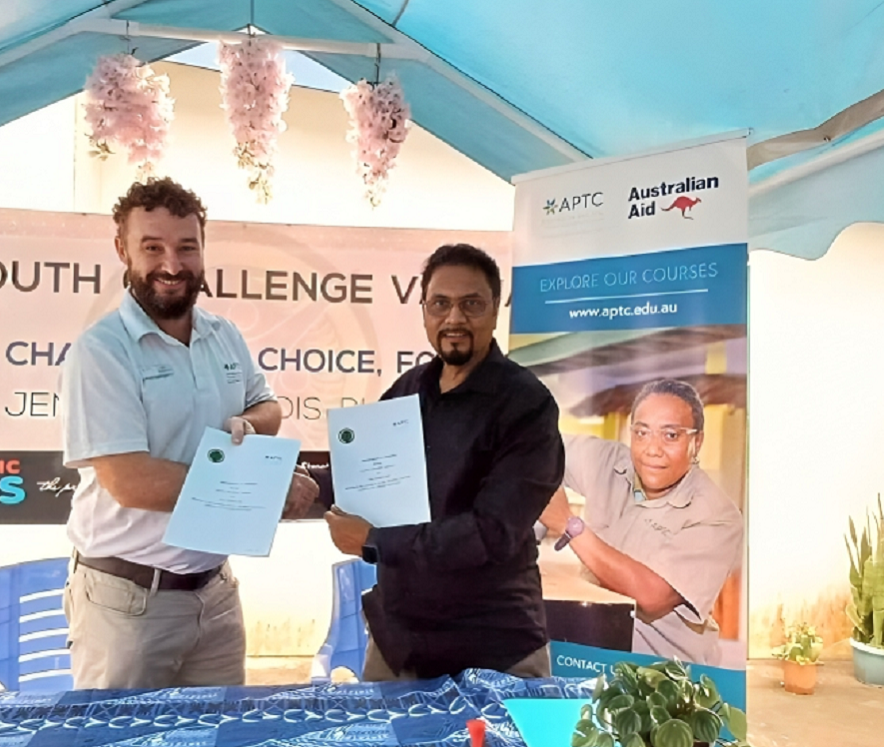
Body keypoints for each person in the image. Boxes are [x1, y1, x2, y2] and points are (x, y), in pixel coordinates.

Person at [59, 177, 318, 690]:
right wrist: (263, 488)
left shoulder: (224, 335)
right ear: (122, 250)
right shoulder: (102, 351)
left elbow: (268, 406)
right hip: (128, 604)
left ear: (203, 250)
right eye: (152, 247)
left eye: (186, 247)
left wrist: (249, 425)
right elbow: (131, 482)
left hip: (216, 596)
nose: (172, 266)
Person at [307, 243, 565, 680]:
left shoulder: (527, 407)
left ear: (495, 310)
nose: (454, 319)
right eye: (440, 304)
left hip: (493, 654)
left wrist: (375, 541)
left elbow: (491, 533)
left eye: (471, 304)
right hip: (398, 646)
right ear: (424, 309)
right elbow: (363, 477)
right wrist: (304, 487)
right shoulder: (410, 390)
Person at [538, 378, 744, 666]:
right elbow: (536, 445)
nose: (652, 449)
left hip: (665, 676)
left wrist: (569, 524)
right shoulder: (610, 462)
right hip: (591, 651)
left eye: (670, 436)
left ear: (696, 442)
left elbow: (652, 595)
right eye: (642, 433)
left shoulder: (716, 516)